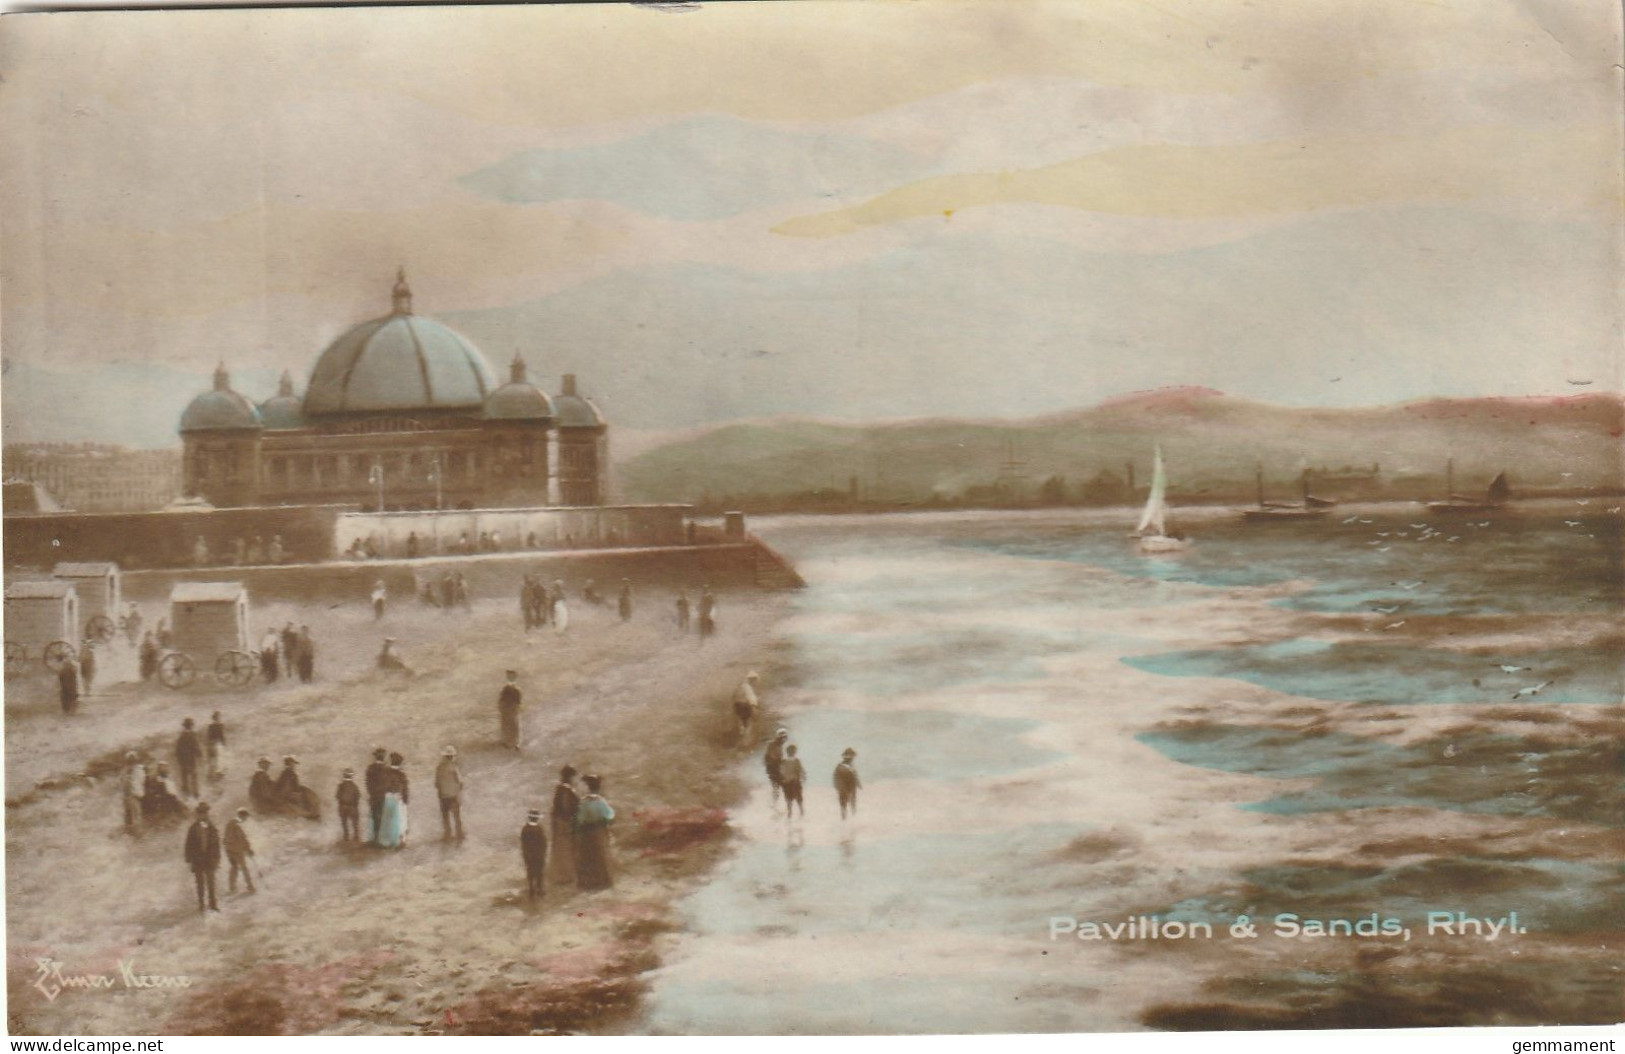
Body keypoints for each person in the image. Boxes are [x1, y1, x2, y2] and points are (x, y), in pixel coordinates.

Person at [573, 774, 615, 891]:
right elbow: (610, 815)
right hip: (600, 832)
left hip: (587, 833)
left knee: (588, 856)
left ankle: (589, 883)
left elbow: (580, 819)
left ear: (588, 787)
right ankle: (603, 881)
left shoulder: (584, 802)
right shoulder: (601, 801)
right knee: (601, 856)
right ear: (598, 788)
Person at [183, 802, 221, 913]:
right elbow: (188, 844)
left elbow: (216, 844)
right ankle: (201, 905)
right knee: (200, 884)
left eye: (204, 812)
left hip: (209, 860)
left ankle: (213, 904)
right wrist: (188, 858)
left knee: (211, 882)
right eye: (200, 813)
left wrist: (217, 858)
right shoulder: (193, 828)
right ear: (197, 814)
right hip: (198, 860)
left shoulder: (212, 827)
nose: (202, 815)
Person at [547, 766, 580, 887]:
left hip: (559, 823)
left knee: (560, 848)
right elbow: (567, 809)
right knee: (566, 848)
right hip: (565, 824)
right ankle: (565, 876)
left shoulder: (560, 789)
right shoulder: (567, 790)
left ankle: (561, 875)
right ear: (569, 777)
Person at [377, 752, 409, 849]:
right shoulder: (401, 774)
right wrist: (405, 800)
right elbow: (405, 789)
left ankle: (387, 841)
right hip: (398, 798)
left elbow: (382, 786)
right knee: (401, 819)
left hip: (388, 797)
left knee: (388, 819)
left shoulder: (385, 773)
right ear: (399, 763)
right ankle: (401, 840)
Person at [435, 746, 464, 842]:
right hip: (453, 795)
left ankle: (447, 834)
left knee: (445, 816)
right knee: (456, 816)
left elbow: (436, 783)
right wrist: (458, 790)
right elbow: (460, 782)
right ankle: (459, 833)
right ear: (452, 757)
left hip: (443, 796)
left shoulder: (439, 768)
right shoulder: (454, 767)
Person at [224, 808, 256, 894]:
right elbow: (241, 839)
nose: (245, 819)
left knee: (234, 867)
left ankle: (232, 887)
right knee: (244, 868)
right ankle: (250, 887)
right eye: (245, 817)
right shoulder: (237, 824)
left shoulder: (230, 823)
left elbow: (226, 838)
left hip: (229, 849)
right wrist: (248, 849)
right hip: (236, 850)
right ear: (242, 815)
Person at [520, 809, 548, 900]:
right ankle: (539, 889)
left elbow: (523, 842)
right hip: (538, 854)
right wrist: (544, 852)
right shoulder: (539, 829)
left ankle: (531, 889)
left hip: (528, 854)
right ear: (537, 819)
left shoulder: (525, 828)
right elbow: (543, 843)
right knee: (539, 871)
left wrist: (525, 853)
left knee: (530, 871)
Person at [175, 718, 203, 798]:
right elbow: (196, 746)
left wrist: (180, 760)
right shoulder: (192, 735)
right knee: (193, 776)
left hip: (183, 761)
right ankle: (195, 794)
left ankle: (186, 793)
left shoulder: (181, 736)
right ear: (191, 726)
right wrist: (199, 755)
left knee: (185, 777)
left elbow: (177, 750)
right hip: (191, 759)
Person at [779, 745, 806, 818]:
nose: (794, 752)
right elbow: (801, 770)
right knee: (798, 798)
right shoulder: (796, 760)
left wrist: (783, 780)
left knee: (789, 798)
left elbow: (781, 771)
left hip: (787, 782)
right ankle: (801, 812)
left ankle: (791, 813)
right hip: (794, 782)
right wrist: (803, 777)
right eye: (794, 751)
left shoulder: (784, 761)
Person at [497, 670, 522, 750]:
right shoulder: (505, 689)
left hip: (512, 708)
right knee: (506, 723)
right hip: (506, 708)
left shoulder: (516, 689)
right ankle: (507, 741)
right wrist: (501, 707)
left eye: (512, 677)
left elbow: (518, 701)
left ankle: (515, 742)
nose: (511, 678)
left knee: (513, 724)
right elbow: (501, 700)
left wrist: (517, 707)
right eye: (509, 677)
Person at [122, 752, 146, 835]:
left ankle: (135, 833)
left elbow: (136, 783)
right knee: (132, 815)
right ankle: (133, 833)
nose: (131, 763)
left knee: (133, 815)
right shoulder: (132, 771)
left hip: (132, 795)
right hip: (131, 796)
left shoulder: (135, 771)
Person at [763, 728, 788, 807]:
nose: (784, 739)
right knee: (777, 786)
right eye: (782, 737)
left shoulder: (780, 745)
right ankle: (774, 803)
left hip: (776, 768)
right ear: (779, 737)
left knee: (779, 786)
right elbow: (770, 756)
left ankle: (775, 803)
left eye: (785, 737)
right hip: (772, 768)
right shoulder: (772, 744)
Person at [834, 748, 862, 819]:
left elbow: (836, 779)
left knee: (845, 805)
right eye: (851, 757)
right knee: (849, 805)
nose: (852, 759)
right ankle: (850, 819)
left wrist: (838, 787)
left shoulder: (841, 766)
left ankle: (847, 820)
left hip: (846, 789)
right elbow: (837, 779)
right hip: (847, 788)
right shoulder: (846, 767)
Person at [336, 768, 362, 842]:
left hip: (343, 807)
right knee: (355, 823)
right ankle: (356, 836)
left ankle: (346, 836)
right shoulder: (354, 786)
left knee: (344, 822)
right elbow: (358, 796)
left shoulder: (341, 786)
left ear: (344, 775)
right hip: (353, 807)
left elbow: (337, 796)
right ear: (352, 776)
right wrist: (355, 804)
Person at [732, 672, 760, 740]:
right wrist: (754, 708)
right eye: (755, 680)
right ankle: (745, 740)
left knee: (743, 723)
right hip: (743, 706)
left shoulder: (742, 685)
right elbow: (751, 698)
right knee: (747, 724)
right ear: (752, 680)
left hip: (738, 706)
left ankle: (743, 736)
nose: (756, 682)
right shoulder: (747, 687)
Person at [205, 711, 227, 780]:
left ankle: (211, 774)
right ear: (217, 718)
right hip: (218, 744)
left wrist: (209, 743)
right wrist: (224, 743)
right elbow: (222, 736)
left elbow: (208, 736)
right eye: (218, 717)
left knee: (212, 759)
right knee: (218, 759)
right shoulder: (220, 725)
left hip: (212, 743)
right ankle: (218, 774)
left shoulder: (210, 726)